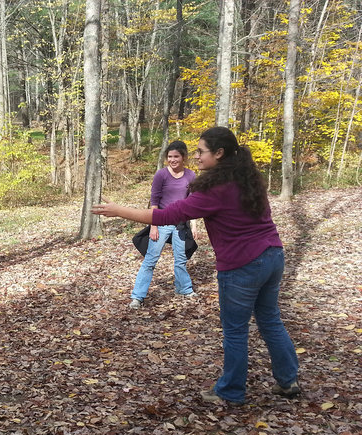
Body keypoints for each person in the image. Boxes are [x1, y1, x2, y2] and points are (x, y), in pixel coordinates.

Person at [91, 126, 300, 407]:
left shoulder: (217, 188)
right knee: (270, 319)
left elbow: (168, 215)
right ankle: (288, 380)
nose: (197, 156)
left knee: (236, 330)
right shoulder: (248, 178)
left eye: (201, 151)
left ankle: (231, 392)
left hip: (242, 264)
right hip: (273, 256)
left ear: (219, 153)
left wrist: (120, 211)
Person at [129, 140, 197, 309]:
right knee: (150, 260)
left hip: (181, 224)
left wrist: (194, 226)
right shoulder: (161, 175)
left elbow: (193, 202)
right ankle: (137, 296)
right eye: (169, 157)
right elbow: (154, 200)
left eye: (176, 156)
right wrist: (153, 225)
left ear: (184, 157)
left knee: (181, 260)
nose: (172, 160)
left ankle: (184, 289)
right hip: (162, 222)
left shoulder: (191, 176)